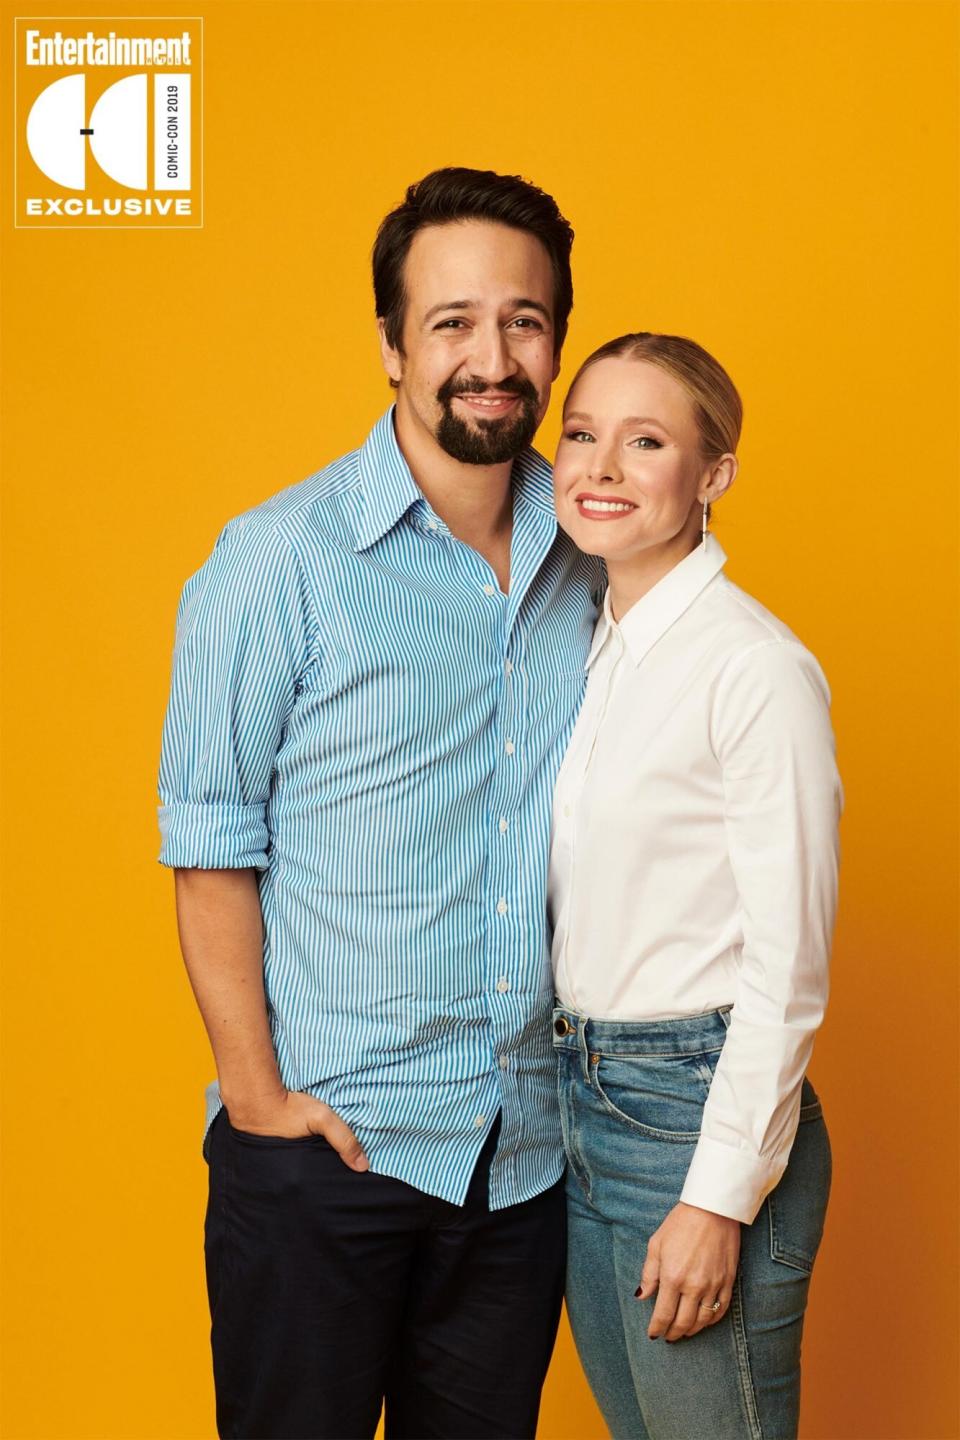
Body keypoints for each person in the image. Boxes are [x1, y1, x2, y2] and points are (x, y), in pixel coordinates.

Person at [156, 167, 600, 1440]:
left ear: (556, 340)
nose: (491, 355)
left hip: (519, 1163)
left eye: (522, 319)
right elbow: (209, 845)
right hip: (327, 1155)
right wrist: (256, 1100)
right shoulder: (274, 563)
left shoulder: (594, 559)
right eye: (452, 320)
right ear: (392, 344)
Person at [547, 333, 841, 1439]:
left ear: (712, 475)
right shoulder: (584, 646)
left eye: (646, 441)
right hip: (579, 1097)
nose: (602, 468)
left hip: (692, 1112)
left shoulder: (752, 667)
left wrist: (718, 1198)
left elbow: (789, 963)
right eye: (582, 435)